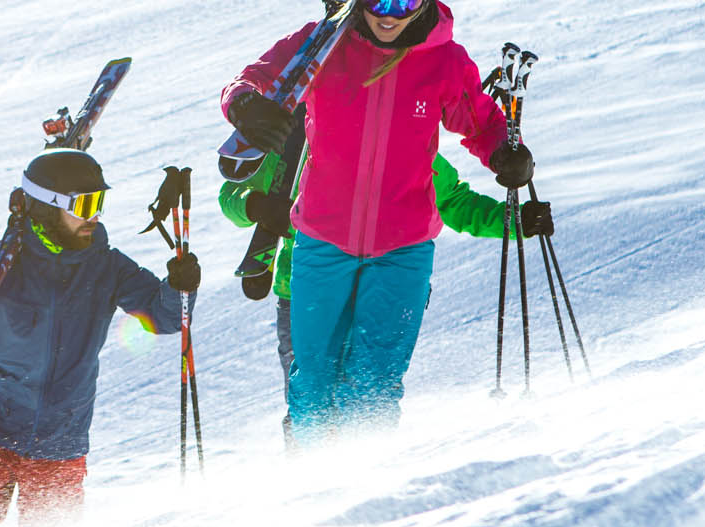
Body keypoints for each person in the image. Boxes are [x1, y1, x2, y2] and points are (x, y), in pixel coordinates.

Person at [221, 0, 528, 436]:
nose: (391, 17)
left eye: (406, 4)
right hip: (322, 240)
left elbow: (480, 120)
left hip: (403, 247)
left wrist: (505, 153)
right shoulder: (323, 46)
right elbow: (252, 78)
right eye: (378, 1)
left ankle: (367, 493)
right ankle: (310, 483)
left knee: (373, 383)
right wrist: (247, 106)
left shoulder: (444, 61)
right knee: (313, 381)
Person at [0, 148, 195, 527]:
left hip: (59, 443)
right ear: (48, 209)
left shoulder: (108, 267)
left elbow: (164, 317)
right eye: (84, 205)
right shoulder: (1, 260)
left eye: (99, 203)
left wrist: (179, 287)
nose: (94, 215)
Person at [222, 148, 552, 428]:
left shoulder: (403, 139)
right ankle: (312, 479)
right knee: (312, 396)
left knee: (370, 390)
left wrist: (513, 220)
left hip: (379, 290)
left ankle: (369, 472)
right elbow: (232, 195)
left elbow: (453, 201)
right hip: (306, 296)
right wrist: (257, 206)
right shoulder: (301, 145)